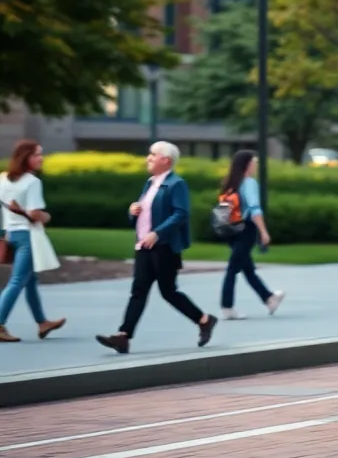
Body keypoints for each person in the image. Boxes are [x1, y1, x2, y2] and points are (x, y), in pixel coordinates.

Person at [96, 141, 216, 354]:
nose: (148, 158)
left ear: (166, 160)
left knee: (168, 291)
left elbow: (181, 214)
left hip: (165, 247)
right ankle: (123, 336)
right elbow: (145, 213)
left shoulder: (176, 184)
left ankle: (204, 320)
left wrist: (158, 233)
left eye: (153, 155)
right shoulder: (150, 183)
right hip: (144, 245)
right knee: (138, 291)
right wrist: (132, 211)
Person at [0, 141, 66, 342]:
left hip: (11, 234)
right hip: (28, 237)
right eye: (37, 154)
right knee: (18, 281)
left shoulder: (3, 179)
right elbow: (36, 214)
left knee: (30, 281)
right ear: (25, 157)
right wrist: (47, 217)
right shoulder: (32, 182)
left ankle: (42, 323)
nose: (41, 158)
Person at [218, 150, 285, 319]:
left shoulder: (230, 183)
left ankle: (269, 298)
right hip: (246, 229)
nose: (255, 166)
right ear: (248, 164)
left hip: (230, 229)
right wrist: (263, 231)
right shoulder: (249, 183)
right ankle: (227, 307)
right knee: (233, 268)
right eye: (254, 162)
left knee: (247, 269)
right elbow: (255, 209)